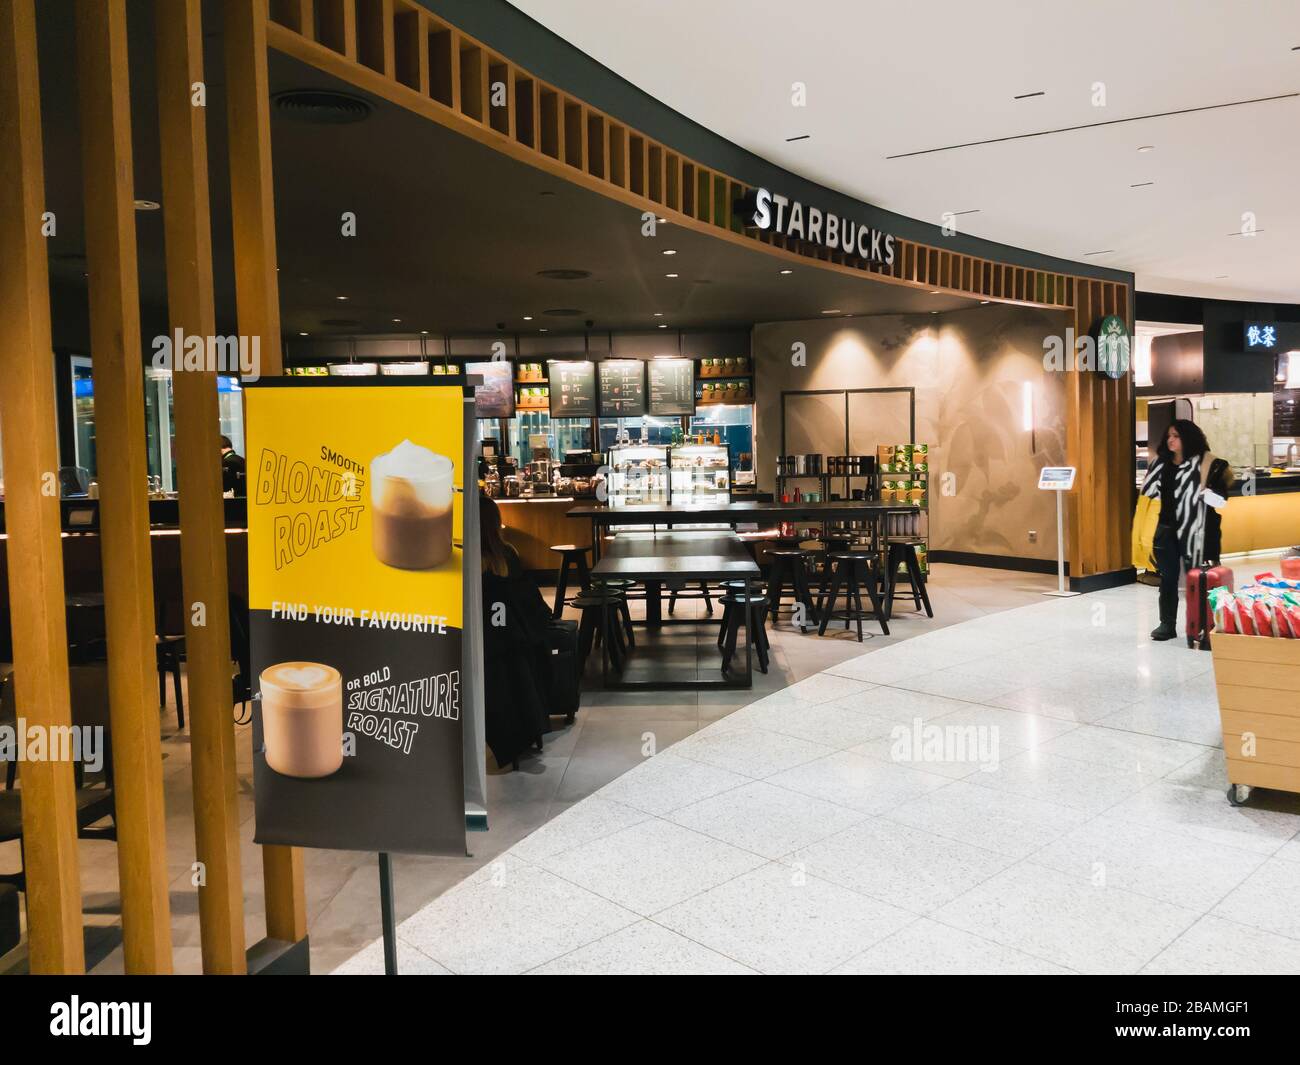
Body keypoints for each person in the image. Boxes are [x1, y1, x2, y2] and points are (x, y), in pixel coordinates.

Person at [479, 493, 571, 768]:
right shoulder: (507, 555)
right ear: (496, 523)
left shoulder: (467, 562)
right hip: (517, 643)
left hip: (486, 647)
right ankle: (531, 717)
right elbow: (530, 603)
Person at [1139, 419, 1233, 641]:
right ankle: (1167, 624)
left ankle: (1203, 625)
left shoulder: (1212, 465)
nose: (1170, 440)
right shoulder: (1160, 465)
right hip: (1166, 531)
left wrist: (1203, 494)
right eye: (1169, 436)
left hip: (1199, 532)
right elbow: (1148, 496)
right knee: (1168, 579)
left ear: (1189, 438)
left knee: (1200, 579)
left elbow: (1222, 502)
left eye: (1176, 436)